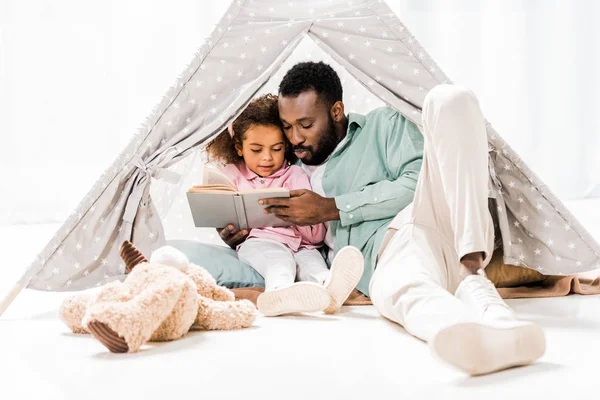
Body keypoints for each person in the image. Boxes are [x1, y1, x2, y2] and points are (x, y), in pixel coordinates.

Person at [219, 62, 546, 376]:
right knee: (400, 294)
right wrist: (241, 234)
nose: (294, 138)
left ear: (335, 111)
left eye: (305, 125)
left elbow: (416, 180)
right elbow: (304, 247)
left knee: (448, 99)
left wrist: (332, 207)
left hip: (433, 219)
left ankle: (474, 277)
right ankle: (476, 332)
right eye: (287, 127)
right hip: (384, 259)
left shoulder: (383, 125)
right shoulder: (287, 171)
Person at [206, 94, 364, 317]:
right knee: (278, 264)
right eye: (256, 149)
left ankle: (330, 290)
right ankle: (278, 293)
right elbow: (221, 217)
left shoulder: (295, 174)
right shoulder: (231, 176)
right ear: (239, 147)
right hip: (260, 242)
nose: (267, 158)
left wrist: (298, 216)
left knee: (313, 264)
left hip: (302, 245)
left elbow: (315, 237)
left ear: (286, 147)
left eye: (277, 149)